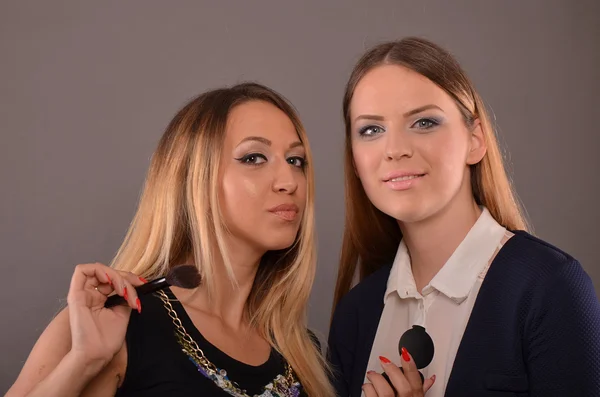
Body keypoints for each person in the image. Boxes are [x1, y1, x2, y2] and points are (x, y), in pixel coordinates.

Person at [7, 82, 335, 397]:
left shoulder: (301, 352)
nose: (289, 181)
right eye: (254, 158)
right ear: (194, 179)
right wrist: (83, 362)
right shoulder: (110, 321)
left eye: (296, 161)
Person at [326, 37, 600, 397]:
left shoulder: (551, 288)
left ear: (475, 139)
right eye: (371, 130)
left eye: (424, 122)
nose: (394, 150)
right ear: (355, 162)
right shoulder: (355, 315)